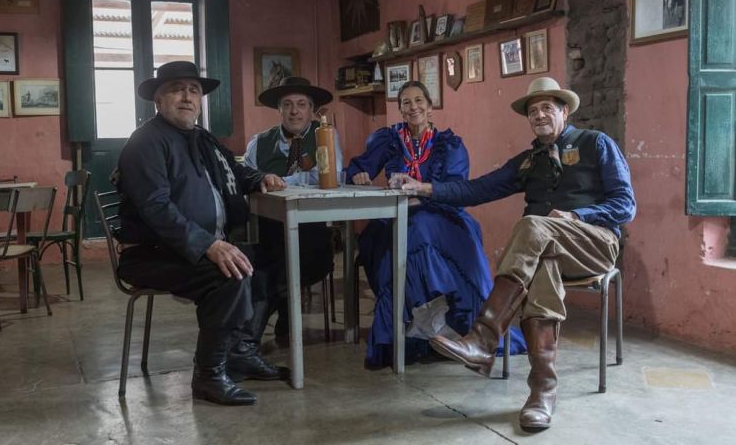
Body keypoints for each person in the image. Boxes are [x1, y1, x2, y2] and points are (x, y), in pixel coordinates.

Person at [401, 76, 636, 431]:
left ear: (564, 111)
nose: (539, 115)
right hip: (548, 252)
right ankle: (542, 391)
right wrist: (426, 188)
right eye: (532, 111)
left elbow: (626, 205)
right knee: (541, 267)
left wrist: (576, 215)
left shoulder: (596, 144)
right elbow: (477, 188)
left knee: (531, 226)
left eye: (546, 108)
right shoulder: (529, 161)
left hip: (595, 243)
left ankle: (484, 336)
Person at [115, 61, 288, 406]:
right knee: (229, 275)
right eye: (177, 89)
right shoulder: (146, 142)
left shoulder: (201, 138)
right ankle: (208, 376)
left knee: (270, 261)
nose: (187, 96)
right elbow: (156, 208)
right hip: (152, 253)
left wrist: (259, 179)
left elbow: (234, 170)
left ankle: (240, 351)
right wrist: (208, 244)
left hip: (192, 246)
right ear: (158, 101)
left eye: (193, 90)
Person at [345, 80, 526, 369]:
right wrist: (359, 175)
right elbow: (358, 167)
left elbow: (455, 189)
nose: (413, 106)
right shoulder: (389, 140)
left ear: (430, 107)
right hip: (397, 214)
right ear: (401, 109)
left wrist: (421, 191)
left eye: (419, 101)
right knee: (386, 234)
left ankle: (453, 327)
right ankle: (413, 331)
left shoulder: (449, 144)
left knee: (424, 228)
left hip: (441, 212)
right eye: (406, 102)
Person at [244, 76, 343, 346]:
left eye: (301, 104)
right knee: (273, 261)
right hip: (269, 236)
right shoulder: (259, 143)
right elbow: (247, 179)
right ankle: (274, 326)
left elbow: (331, 176)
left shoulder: (326, 137)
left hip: (313, 237)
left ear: (312, 110)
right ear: (279, 110)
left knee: (286, 265)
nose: (294, 111)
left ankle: (248, 339)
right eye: (287, 104)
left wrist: (282, 181)